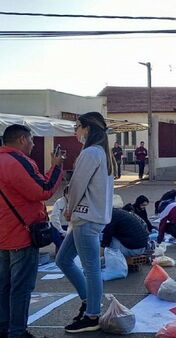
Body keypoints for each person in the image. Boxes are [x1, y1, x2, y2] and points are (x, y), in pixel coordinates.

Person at [0, 124, 65, 338]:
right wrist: (56, 166)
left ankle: (4, 327)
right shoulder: (17, 162)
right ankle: (17, 332)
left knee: (4, 286)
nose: (33, 144)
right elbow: (43, 190)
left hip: (3, 234)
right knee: (21, 288)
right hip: (21, 234)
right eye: (31, 139)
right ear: (21, 139)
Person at [56, 112, 116, 333]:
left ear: (88, 129)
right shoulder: (101, 152)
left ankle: (92, 314)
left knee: (91, 268)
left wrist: (69, 209)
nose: (75, 131)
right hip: (91, 216)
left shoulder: (91, 152)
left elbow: (77, 185)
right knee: (63, 260)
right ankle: (88, 301)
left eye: (77, 126)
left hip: (86, 216)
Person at [50, 186, 70, 254]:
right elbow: (54, 217)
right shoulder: (60, 202)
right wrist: (61, 230)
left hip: (70, 226)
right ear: (65, 194)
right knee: (60, 245)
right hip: (58, 226)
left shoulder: (76, 201)